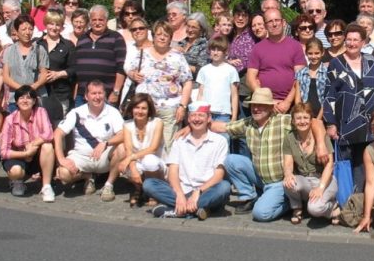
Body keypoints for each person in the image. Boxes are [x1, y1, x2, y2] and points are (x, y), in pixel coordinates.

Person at [213, 87, 326, 220]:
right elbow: (223, 127)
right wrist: (192, 126)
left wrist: (321, 144)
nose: (256, 108)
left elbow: (315, 122)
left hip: (280, 182)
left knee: (260, 214)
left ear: (270, 107)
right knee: (231, 160)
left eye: (261, 105)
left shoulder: (283, 121)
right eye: (254, 105)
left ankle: (287, 202)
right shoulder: (248, 123)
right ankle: (250, 196)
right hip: (259, 177)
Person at [145, 101, 231, 220]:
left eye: (201, 115)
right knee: (149, 184)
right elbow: (173, 172)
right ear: (188, 119)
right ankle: (199, 209)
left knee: (224, 187)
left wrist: (198, 192)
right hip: (182, 190)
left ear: (209, 118)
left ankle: (177, 211)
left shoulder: (219, 141)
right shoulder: (179, 140)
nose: (197, 119)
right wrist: (180, 195)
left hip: (205, 191)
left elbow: (219, 175)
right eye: (193, 115)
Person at [323, 23, 374, 185]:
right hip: (345, 125)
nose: (352, 43)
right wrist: (331, 123)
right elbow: (329, 95)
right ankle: (346, 202)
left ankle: (360, 200)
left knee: (364, 166)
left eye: (356, 40)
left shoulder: (373, 62)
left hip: (369, 126)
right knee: (345, 166)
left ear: (363, 42)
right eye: (349, 39)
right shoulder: (336, 63)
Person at [53, 80, 126, 200]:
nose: (97, 97)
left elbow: (123, 134)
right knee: (63, 173)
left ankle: (109, 185)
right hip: (81, 157)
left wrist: (106, 143)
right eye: (93, 93)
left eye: (100, 93)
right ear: (86, 96)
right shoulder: (76, 112)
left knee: (122, 148)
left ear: (105, 95)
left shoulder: (113, 112)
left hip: (104, 157)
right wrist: (61, 159)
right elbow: (58, 133)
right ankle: (87, 176)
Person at [125, 21, 193, 150]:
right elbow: (130, 70)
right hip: (145, 109)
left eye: (166, 35)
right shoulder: (142, 54)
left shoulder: (177, 56)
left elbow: (187, 81)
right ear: (153, 36)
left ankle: (167, 169)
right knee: (144, 144)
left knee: (168, 146)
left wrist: (182, 106)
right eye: (159, 34)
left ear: (170, 38)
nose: (162, 37)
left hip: (170, 109)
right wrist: (133, 74)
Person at [0, 85, 57, 202]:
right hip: (18, 156)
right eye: (21, 98)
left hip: (36, 155)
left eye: (28, 98)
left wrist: (33, 144)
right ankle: (17, 181)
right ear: (17, 101)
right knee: (16, 171)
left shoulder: (41, 112)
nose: (25, 101)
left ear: (34, 101)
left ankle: (46, 186)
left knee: (47, 146)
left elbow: (49, 134)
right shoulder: (10, 119)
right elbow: (4, 152)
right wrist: (25, 154)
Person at [282, 104, 338, 224]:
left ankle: (333, 209)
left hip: (324, 180)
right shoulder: (289, 138)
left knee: (314, 209)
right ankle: (297, 208)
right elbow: (288, 162)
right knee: (289, 183)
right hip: (306, 180)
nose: (302, 121)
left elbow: (329, 165)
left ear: (310, 119)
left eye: (305, 118)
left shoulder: (321, 137)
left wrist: (320, 188)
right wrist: (288, 173)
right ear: (293, 120)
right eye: (298, 118)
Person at [246, 7, 305, 114]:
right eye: (270, 21)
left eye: (277, 20)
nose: (274, 24)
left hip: (289, 106)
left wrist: (287, 102)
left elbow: (300, 78)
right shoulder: (258, 48)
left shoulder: (296, 46)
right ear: (265, 25)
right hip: (263, 106)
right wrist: (267, 101)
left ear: (283, 22)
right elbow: (250, 78)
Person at [112, 93, 166, 207]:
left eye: (143, 108)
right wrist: (133, 170)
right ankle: (139, 188)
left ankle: (154, 190)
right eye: (137, 107)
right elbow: (129, 149)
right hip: (137, 161)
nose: (140, 111)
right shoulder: (127, 125)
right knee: (126, 166)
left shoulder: (157, 123)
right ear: (132, 109)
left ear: (149, 110)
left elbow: (153, 148)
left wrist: (130, 158)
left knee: (149, 161)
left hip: (156, 162)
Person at [73, 5, 127, 109]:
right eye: (94, 20)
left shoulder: (116, 38)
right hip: (82, 96)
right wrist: (75, 93)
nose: (97, 23)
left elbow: (121, 68)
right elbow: (77, 68)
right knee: (81, 124)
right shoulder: (82, 39)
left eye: (100, 19)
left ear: (106, 20)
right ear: (89, 21)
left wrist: (116, 92)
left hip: (106, 96)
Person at [1, 15, 49, 110]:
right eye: (23, 29)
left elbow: (44, 75)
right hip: (15, 99)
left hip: (36, 98)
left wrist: (32, 88)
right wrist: (22, 90)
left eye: (30, 29)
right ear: (16, 31)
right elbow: (6, 77)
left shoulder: (40, 49)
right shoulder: (9, 51)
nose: (27, 32)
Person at [38, 10, 76, 123]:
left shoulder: (68, 45)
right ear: (46, 24)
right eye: (51, 23)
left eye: (57, 24)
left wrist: (58, 74)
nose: (54, 27)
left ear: (62, 27)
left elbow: (74, 69)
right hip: (39, 93)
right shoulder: (37, 43)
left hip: (60, 94)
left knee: (58, 128)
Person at [196, 36, 239, 123]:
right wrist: (198, 112)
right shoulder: (204, 70)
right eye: (213, 49)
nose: (215, 53)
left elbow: (234, 95)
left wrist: (234, 117)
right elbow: (200, 94)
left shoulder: (231, 70)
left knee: (223, 136)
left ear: (225, 52)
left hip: (223, 114)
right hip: (206, 113)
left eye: (219, 50)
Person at [292, 38, 329, 119]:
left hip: (323, 116)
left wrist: (319, 118)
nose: (313, 56)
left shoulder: (327, 73)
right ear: (306, 53)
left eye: (317, 53)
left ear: (322, 52)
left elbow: (327, 98)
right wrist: (301, 116)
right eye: (310, 53)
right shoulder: (300, 73)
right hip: (305, 116)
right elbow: (298, 99)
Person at [178, 11, 211, 76]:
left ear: (201, 29)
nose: (190, 30)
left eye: (193, 27)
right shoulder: (181, 43)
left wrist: (182, 66)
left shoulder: (204, 46)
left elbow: (202, 69)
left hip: (195, 83)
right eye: (188, 26)